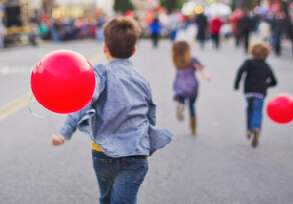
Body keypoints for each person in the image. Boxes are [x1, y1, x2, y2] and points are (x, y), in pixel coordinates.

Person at [51, 16, 173, 204]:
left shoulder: (99, 73)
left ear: (105, 47)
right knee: (120, 200)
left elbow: (83, 103)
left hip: (103, 153)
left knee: (107, 198)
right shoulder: (141, 79)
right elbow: (150, 112)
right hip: (136, 154)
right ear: (134, 50)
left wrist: (65, 132)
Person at [234, 42, 277, 148]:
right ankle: (256, 128)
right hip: (260, 92)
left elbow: (240, 71)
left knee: (249, 109)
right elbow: (274, 81)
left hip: (249, 90)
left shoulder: (249, 63)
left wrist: (237, 84)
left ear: (252, 52)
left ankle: (248, 130)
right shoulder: (267, 66)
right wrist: (266, 85)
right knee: (257, 111)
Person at [172, 40, 211, 135]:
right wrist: (206, 76)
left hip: (180, 82)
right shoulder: (192, 59)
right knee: (192, 105)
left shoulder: (176, 59)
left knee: (181, 97)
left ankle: (181, 105)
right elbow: (200, 68)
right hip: (192, 84)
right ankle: (193, 128)